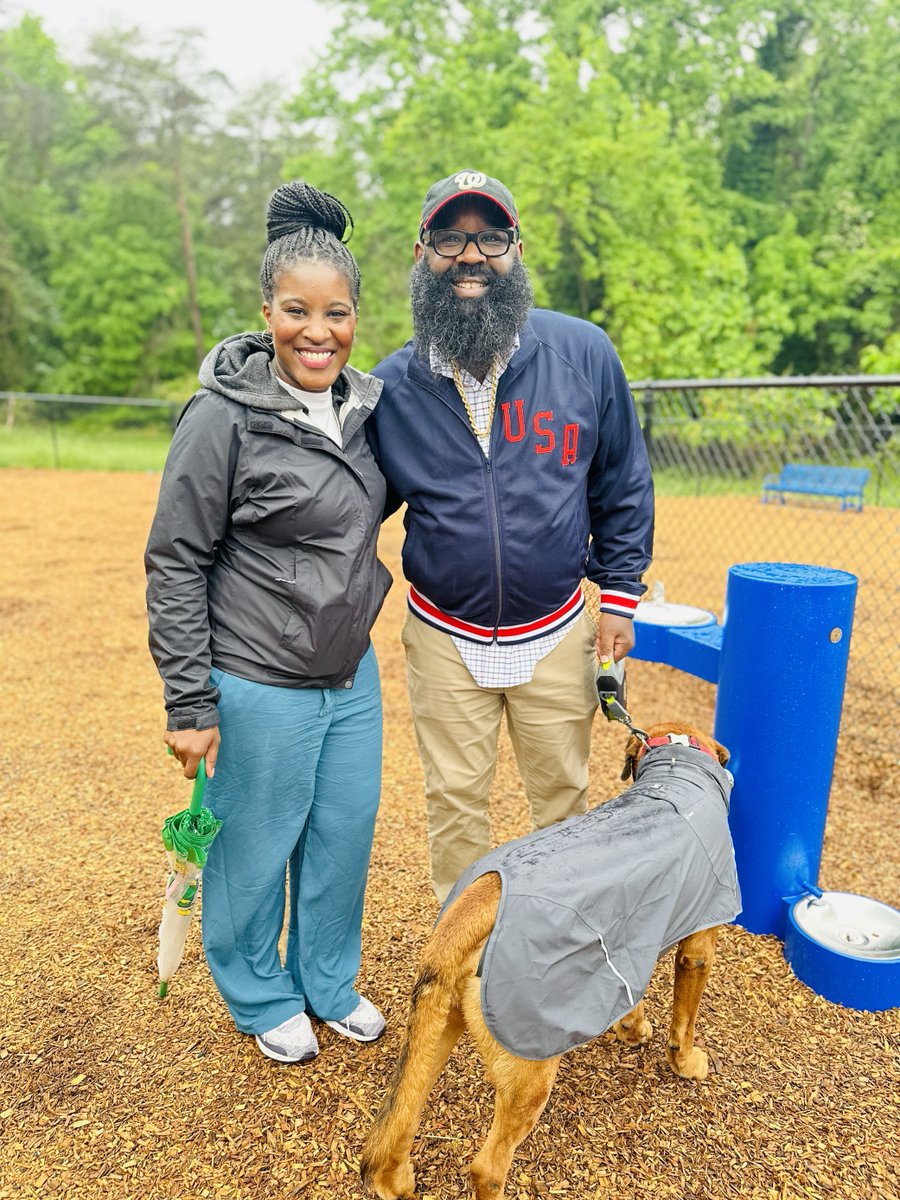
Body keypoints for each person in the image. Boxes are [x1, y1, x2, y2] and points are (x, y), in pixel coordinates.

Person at [145, 181, 392, 1064]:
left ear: (356, 318)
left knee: (342, 835)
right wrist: (189, 699)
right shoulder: (222, 418)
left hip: (350, 677)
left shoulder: (367, 410)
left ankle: (327, 979)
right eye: (297, 310)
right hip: (258, 680)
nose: (316, 331)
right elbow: (176, 559)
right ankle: (258, 991)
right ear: (267, 312)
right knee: (254, 848)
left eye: (336, 312)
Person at [366, 169, 654, 903]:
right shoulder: (392, 387)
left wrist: (620, 594)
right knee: (456, 805)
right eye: (449, 237)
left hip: (558, 628)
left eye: (490, 236)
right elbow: (347, 508)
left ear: (516, 248)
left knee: (562, 800)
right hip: (443, 633)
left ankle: (554, 950)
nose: (471, 256)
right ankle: (466, 962)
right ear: (421, 249)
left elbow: (621, 478)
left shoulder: (582, 352)